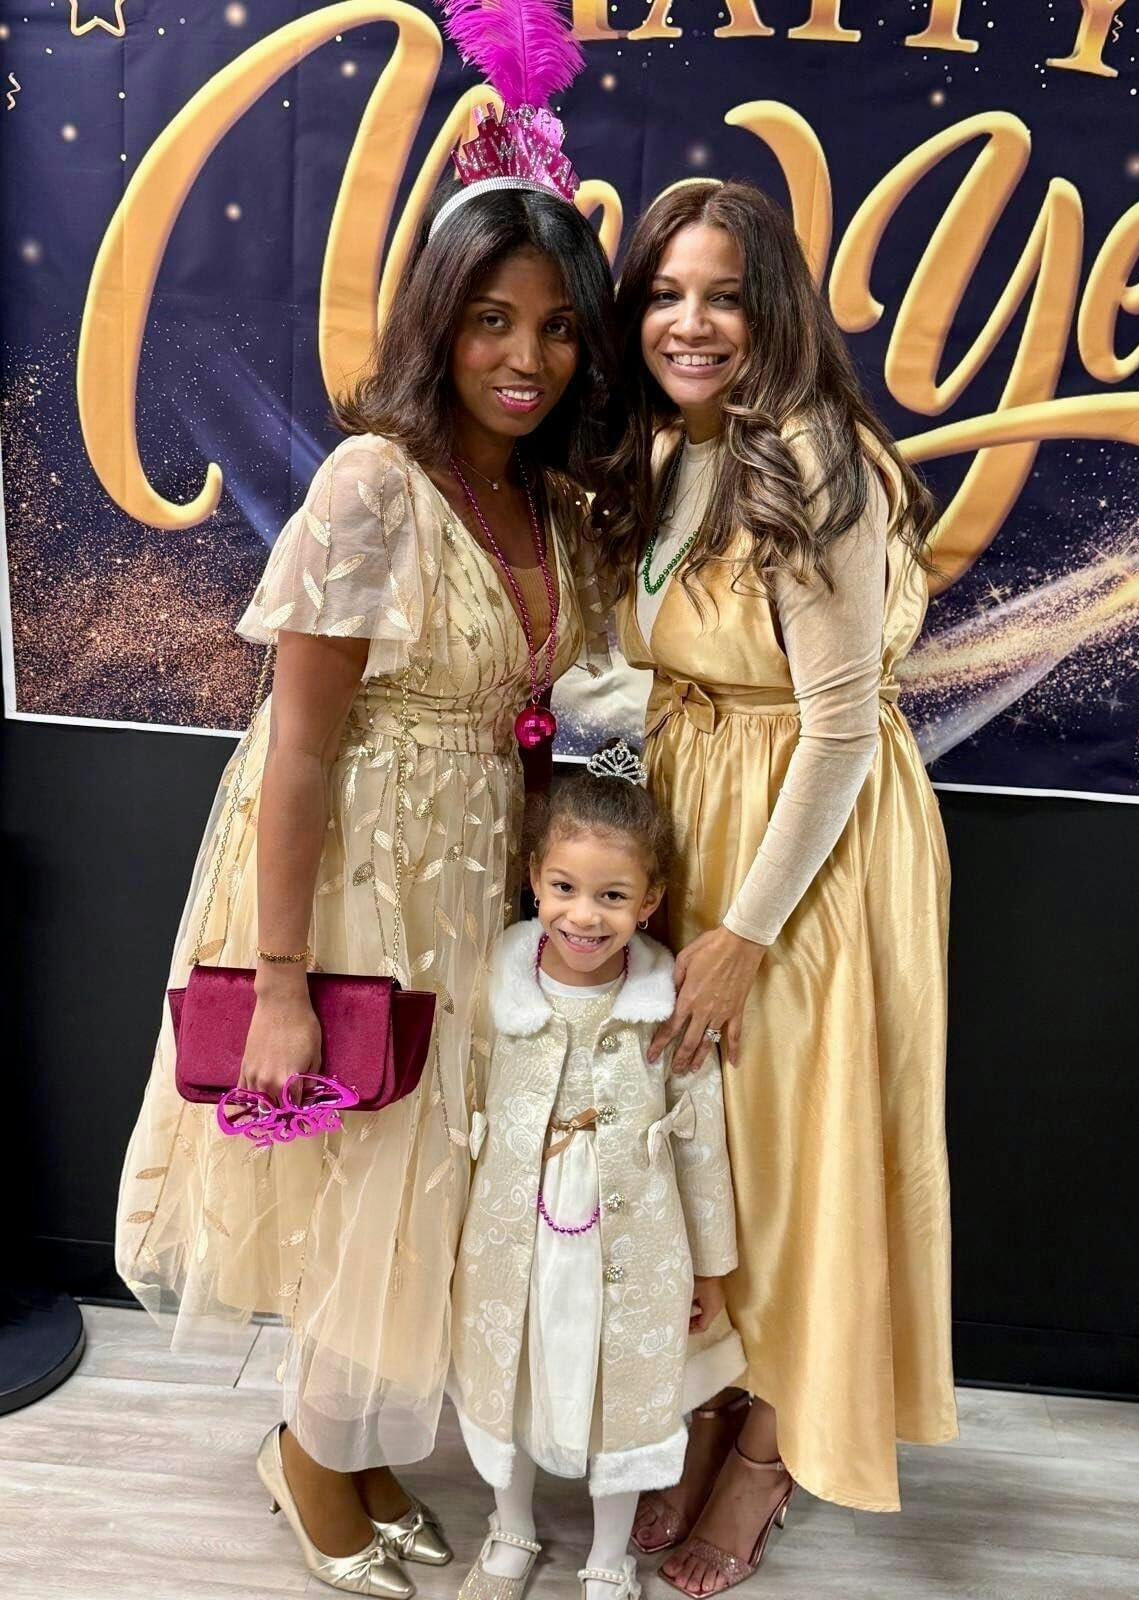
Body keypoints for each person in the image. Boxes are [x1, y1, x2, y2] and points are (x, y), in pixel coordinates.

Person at [113, 92, 617, 1600]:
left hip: (466, 882)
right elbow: (297, 747)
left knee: (425, 1184)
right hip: (348, 881)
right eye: (490, 320)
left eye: (556, 328)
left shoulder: (546, 500)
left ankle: (347, 1440)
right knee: (359, 1168)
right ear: (436, 324)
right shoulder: (372, 484)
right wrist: (280, 981)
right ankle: (311, 1455)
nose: (525, 357)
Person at [592, 180, 957, 1594]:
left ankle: (772, 1445)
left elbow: (844, 727)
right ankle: (715, 1396)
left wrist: (745, 931)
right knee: (718, 1149)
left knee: (801, 1150)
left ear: (777, 310)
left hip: (811, 845)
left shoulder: (814, 454)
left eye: (725, 296)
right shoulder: (670, 445)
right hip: (699, 812)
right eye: (665, 293)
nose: (690, 323)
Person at [449, 746, 746, 1600]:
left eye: (613, 896)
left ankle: (610, 1553)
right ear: (534, 884)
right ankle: (510, 1527)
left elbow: (701, 1143)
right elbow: (456, 1107)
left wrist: (713, 1270)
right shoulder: (493, 984)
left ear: (649, 901)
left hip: (634, 1238)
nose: (584, 916)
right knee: (509, 1373)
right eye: (565, 889)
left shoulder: (667, 1005)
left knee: (627, 1390)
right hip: (514, 1230)